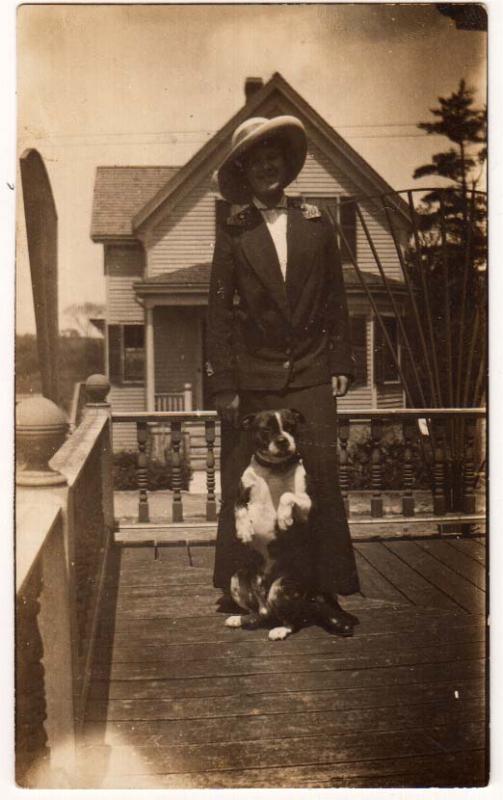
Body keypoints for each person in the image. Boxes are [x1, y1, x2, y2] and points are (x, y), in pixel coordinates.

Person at [206, 115, 360, 634]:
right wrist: (224, 383)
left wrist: (341, 360)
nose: (267, 166)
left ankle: (326, 594)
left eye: (275, 156)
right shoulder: (235, 230)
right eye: (256, 160)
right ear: (244, 171)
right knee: (246, 485)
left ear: (287, 165)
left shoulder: (318, 223)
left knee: (321, 480)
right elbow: (219, 312)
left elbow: (337, 298)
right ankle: (244, 588)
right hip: (253, 376)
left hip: (313, 370)